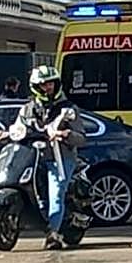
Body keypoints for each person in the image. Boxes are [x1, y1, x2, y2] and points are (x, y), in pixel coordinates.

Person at [22, 66, 86, 250]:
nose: (47, 87)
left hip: (59, 158)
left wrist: (66, 134)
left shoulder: (68, 108)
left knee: (56, 194)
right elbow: (19, 126)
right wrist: (4, 133)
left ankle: (53, 234)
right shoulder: (28, 108)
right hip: (32, 157)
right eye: (42, 84)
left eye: (50, 83)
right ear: (35, 86)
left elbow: (81, 138)